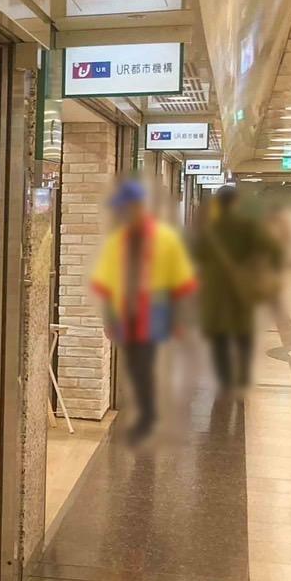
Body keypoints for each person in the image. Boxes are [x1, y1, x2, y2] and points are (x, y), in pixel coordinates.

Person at [90, 178, 197, 440]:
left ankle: (147, 415)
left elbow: (182, 282)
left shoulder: (165, 238)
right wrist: (108, 317)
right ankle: (147, 409)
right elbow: (105, 282)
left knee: (143, 363)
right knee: (136, 365)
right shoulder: (117, 241)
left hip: (156, 312)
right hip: (125, 312)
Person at [191, 185, 282, 391]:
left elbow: (196, 256)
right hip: (242, 289)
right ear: (236, 203)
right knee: (244, 333)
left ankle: (225, 380)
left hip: (215, 292)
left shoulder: (210, 230)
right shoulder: (248, 226)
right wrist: (268, 269)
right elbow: (273, 249)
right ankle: (242, 377)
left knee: (218, 336)